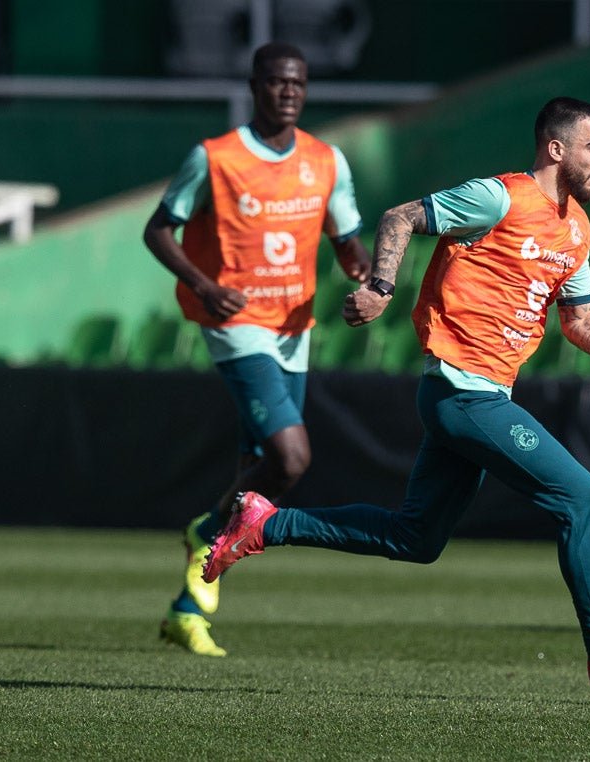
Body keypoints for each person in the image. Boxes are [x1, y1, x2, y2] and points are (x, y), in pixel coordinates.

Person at [200, 96, 590, 696]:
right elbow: (401, 215)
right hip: (465, 394)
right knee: (582, 496)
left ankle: (266, 523)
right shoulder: (499, 197)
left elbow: (580, 321)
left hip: (475, 396)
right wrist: (380, 289)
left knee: (418, 539)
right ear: (555, 149)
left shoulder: (577, 229)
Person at [144, 41, 371, 657]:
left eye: (297, 83)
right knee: (291, 458)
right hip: (237, 322)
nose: (288, 92)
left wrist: (360, 269)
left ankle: (189, 606)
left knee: (258, 484)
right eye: (276, 82)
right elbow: (158, 228)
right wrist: (200, 283)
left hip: (296, 327)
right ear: (255, 86)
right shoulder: (214, 158)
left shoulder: (326, 160)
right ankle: (205, 532)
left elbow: (346, 237)